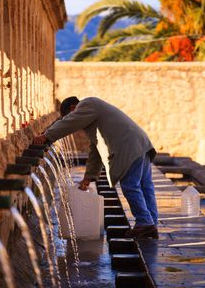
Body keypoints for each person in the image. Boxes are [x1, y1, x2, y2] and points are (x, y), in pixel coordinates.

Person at [34, 96, 158, 239]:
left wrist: (46, 136)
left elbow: (70, 122)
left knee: (131, 186)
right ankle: (152, 224)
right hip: (141, 144)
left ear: (73, 108)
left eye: (71, 115)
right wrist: (89, 177)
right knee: (145, 187)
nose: (75, 120)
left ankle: (144, 223)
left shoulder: (88, 104)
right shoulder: (94, 118)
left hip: (129, 147)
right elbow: (96, 150)